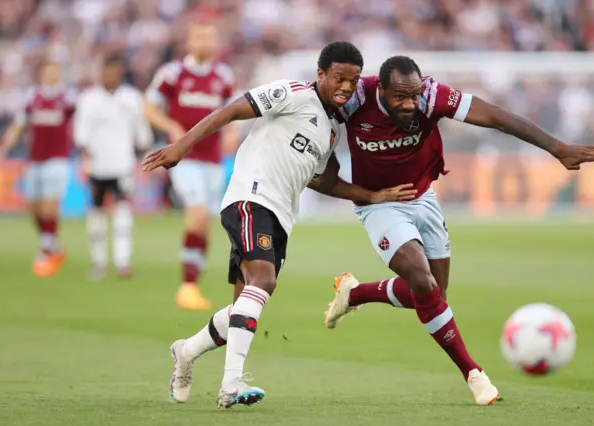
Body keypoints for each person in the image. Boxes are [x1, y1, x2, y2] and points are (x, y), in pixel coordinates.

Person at [320, 56, 594, 405]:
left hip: (422, 195)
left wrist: (557, 148)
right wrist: (367, 195)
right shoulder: (354, 100)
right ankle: (473, 373)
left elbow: (494, 117)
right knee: (421, 279)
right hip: (379, 205)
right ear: (380, 89)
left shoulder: (430, 96)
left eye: (413, 96)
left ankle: (354, 294)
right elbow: (320, 166)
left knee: (433, 293)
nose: (410, 104)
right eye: (400, 97)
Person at [143, 42, 417, 409]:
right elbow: (232, 110)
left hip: (282, 217)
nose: (347, 87)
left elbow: (325, 181)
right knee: (264, 281)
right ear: (321, 74)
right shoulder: (292, 93)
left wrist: (374, 196)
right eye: (339, 78)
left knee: (243, 308)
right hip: (250, 197)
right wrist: (182, 146)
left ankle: (186, 351)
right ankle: (231, 385)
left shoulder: (333, 128)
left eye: (353, 81)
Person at [144, 21, 238, 310]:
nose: (205, 42)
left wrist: (232, 134)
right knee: (196, 215)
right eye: (199, 35)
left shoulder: (223, 75)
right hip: (184, 160)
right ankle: (186, 286)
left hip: (212, 161)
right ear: (189, 41)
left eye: (209, 37)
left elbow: (232, 110)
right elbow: (148, 107)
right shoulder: (172, 73)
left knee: (205, 223)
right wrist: (171, 126)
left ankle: (193, 284)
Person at [74, 55, 153, 279]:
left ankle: (122, 261)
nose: (109, 76)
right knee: (97, 211)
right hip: (97, 165)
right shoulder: (89, 99)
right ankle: (99, 262)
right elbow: (81, 131)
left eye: (114, 72)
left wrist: (145, 152)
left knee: (123, 210)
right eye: (106, 72)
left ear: (120, 73)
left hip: (122, 164)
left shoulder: (131, 98)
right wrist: (84, 151)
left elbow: (141, 131)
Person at [0, 59, 76, 277]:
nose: (53, 75)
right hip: (36, 159)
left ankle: (45, 252)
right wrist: (4, 146)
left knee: (51, 205)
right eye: (50, 71)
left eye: (56, 71)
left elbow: (78, 122)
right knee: (34, 209)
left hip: (58, 159)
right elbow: (19, 125)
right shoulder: (32, 98)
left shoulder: (68, 98)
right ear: (42, 73)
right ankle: (54, 247)